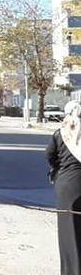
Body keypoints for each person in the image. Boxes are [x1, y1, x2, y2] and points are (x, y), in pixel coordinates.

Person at [47, 100, 81, 275]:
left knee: (69, 233)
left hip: (67, 187)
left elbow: (50, 156)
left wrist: (56, 170)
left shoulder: (60, 134)